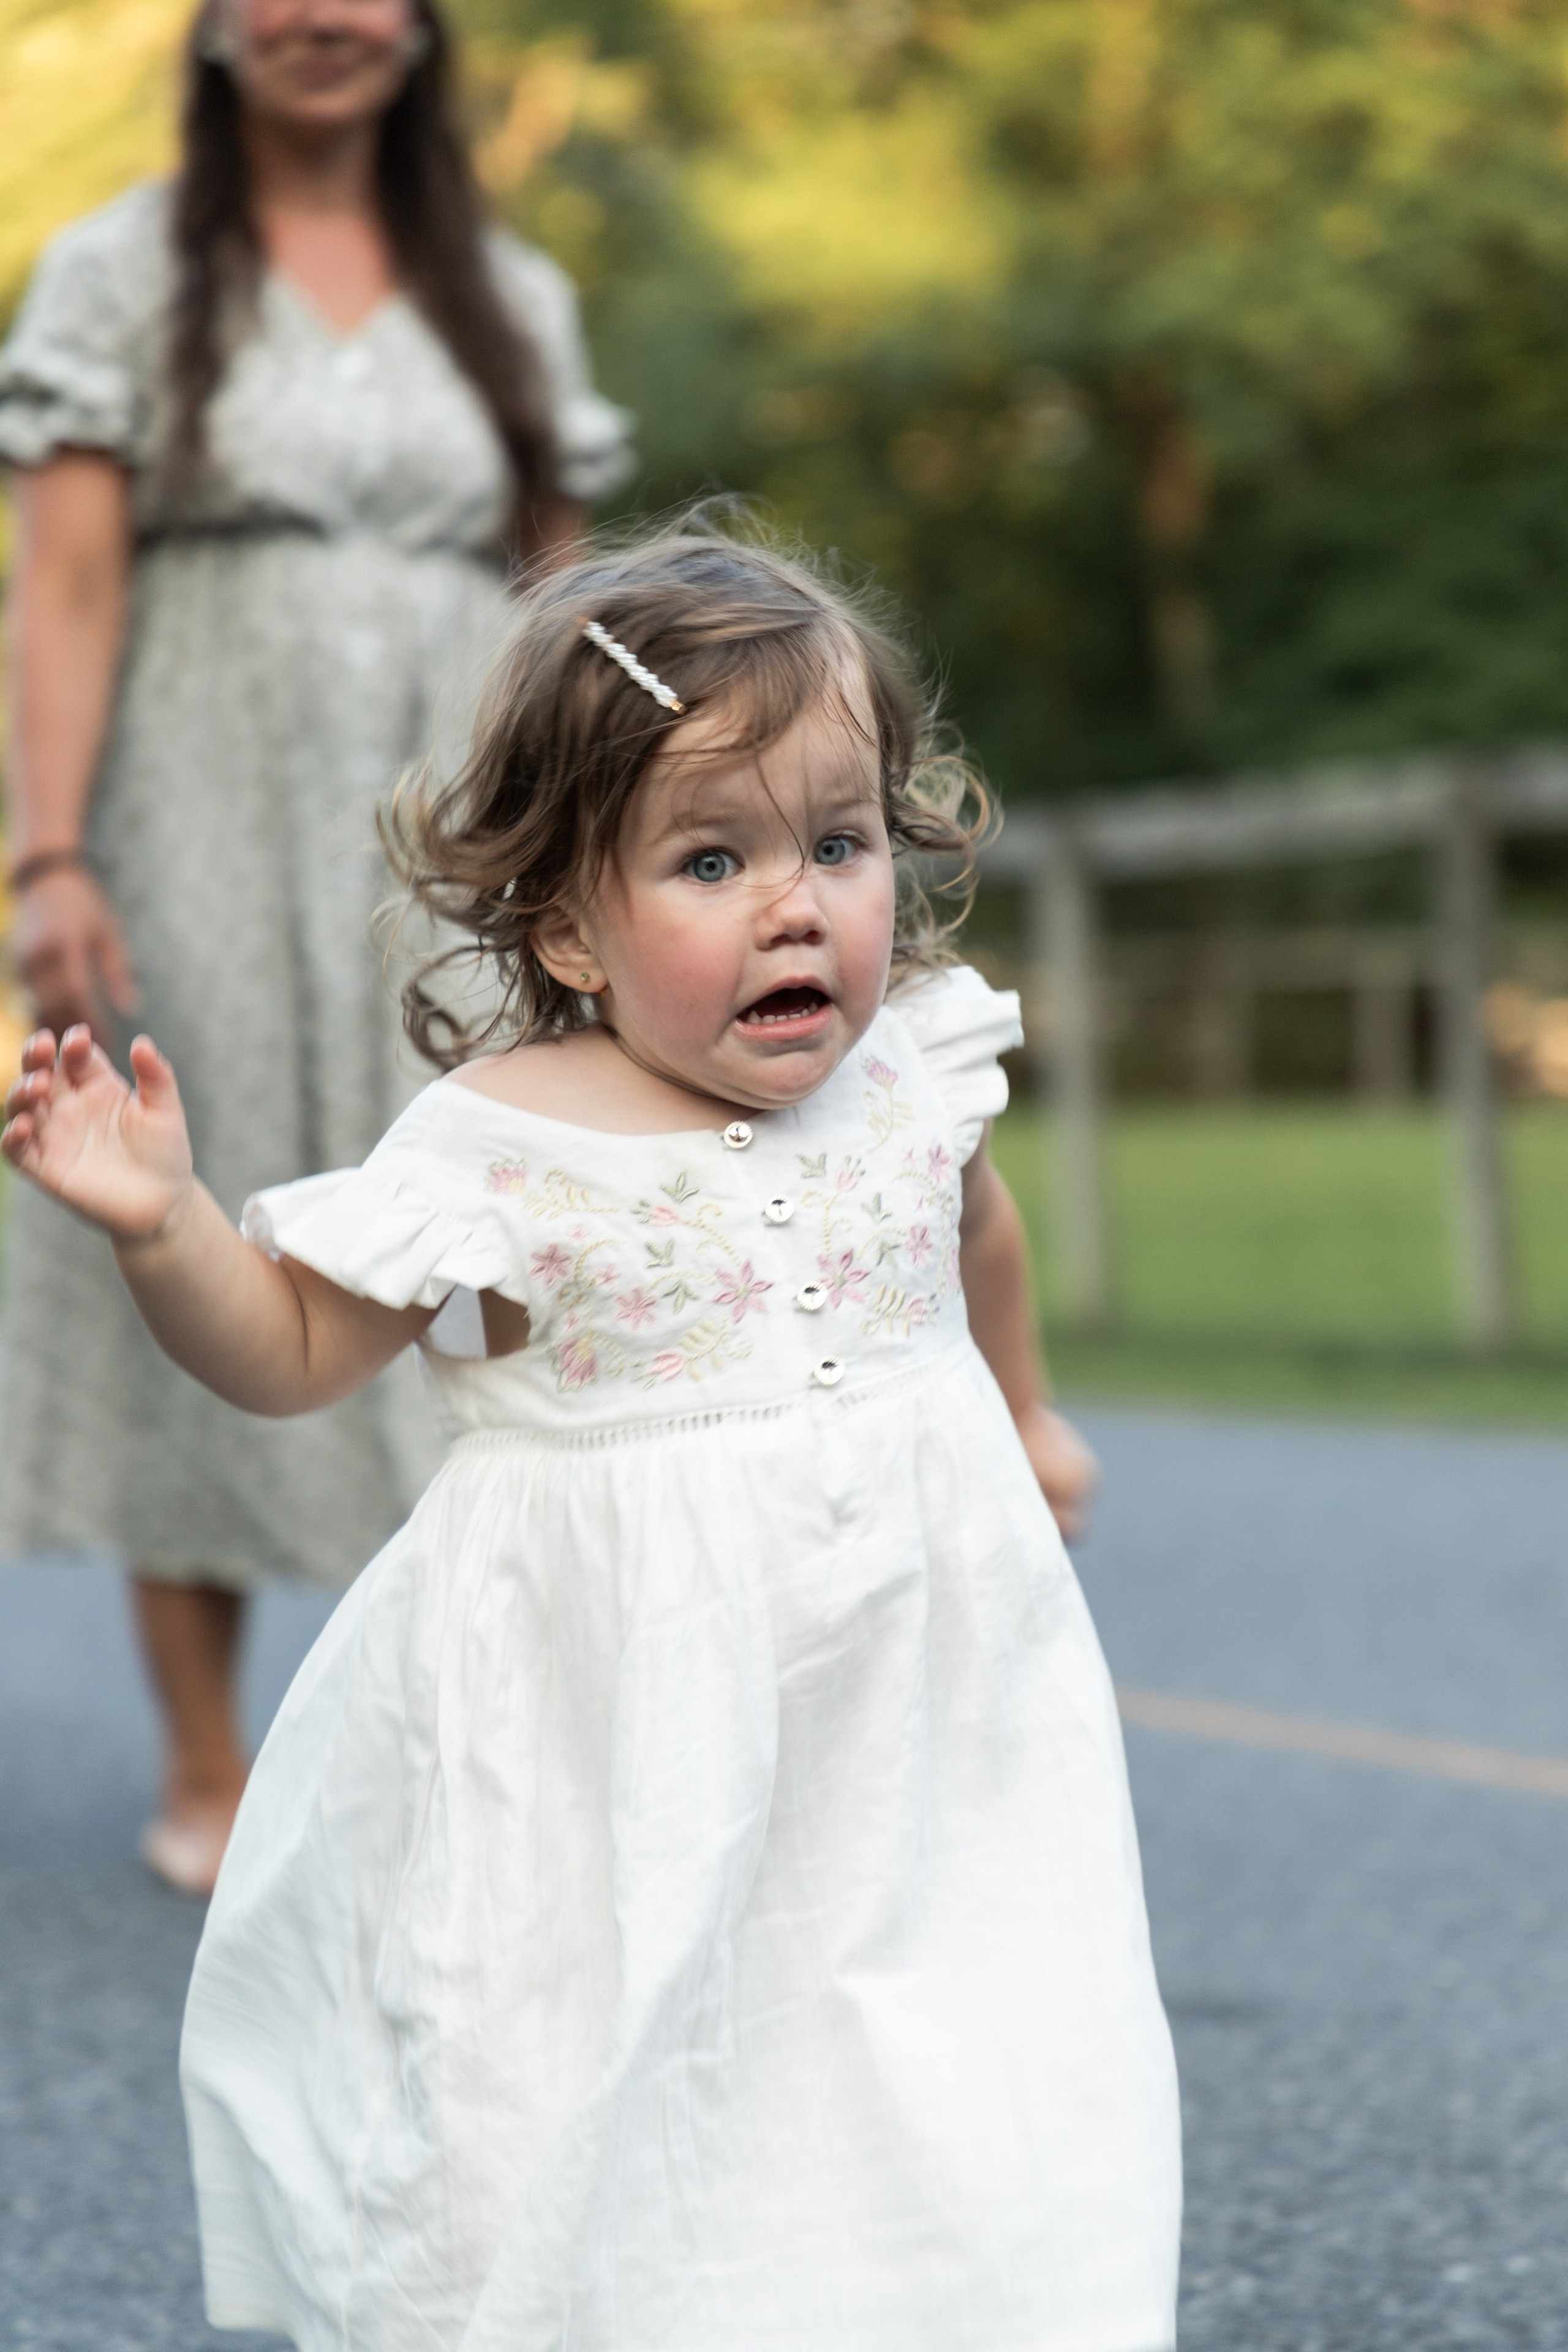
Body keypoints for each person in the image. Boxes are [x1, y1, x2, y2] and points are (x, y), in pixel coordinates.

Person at [2, 529, 1170, 2352]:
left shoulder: (912, 1071)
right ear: (566, 922)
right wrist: (168, 1229)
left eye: (839, 843)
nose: (800, 905)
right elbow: (301, 1344)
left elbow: (977, 1231)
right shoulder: (500, 1139)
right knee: (598, 2075)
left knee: (950, 2037)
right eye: (715, 859)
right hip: (610, 1720)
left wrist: (1022, 1415)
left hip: (916, 1707)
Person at [0, 0, 632, 1894]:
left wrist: (609, 835)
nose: (321, 16)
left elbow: (566, 600)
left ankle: (481, 1724)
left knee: (497, 1216)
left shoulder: (506, 292)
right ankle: (211, 1759)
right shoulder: (121, 269)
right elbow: (72, 578)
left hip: (455, 813)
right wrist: (49, 855)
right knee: (210, 1209)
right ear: (209, 26)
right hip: (195, 795)